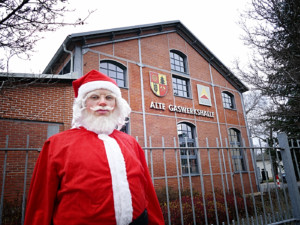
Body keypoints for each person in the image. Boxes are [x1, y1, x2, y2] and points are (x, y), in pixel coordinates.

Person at [24, 70, 165, 225]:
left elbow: (147, 191)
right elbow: (41, 202)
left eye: (109, 97)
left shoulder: (131, 142)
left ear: (116, 104)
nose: (103, 102)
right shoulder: (56, 144)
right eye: (95, 97)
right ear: (83, 104)